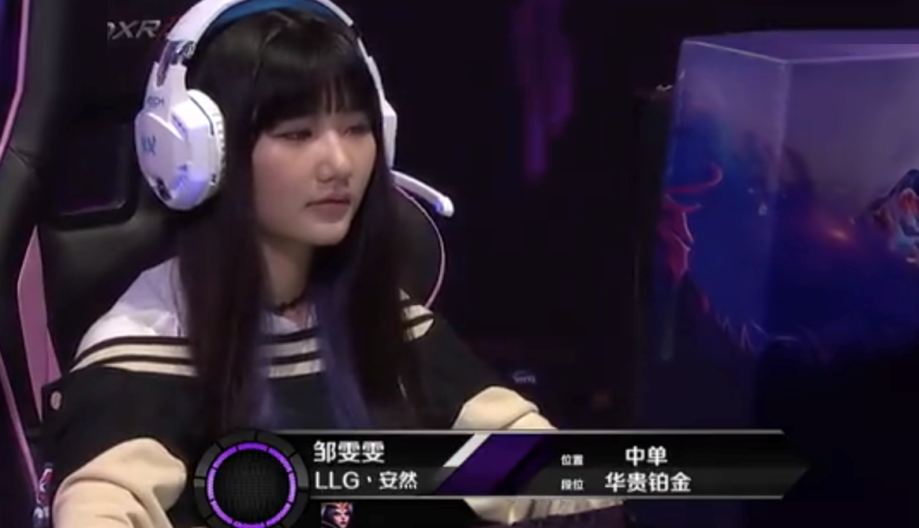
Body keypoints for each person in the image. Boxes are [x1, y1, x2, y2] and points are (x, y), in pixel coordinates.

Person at [44, 0, 618, 526]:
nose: (339, 163)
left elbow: (529, 465)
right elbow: (100, 507)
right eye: (298, 134)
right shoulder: (142, 350)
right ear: (202, 152)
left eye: (356, 128)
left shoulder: (387, 324)